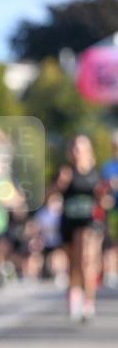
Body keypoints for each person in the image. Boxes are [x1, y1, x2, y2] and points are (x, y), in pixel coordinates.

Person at [52, 134, 103, 322]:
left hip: (89, 222)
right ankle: (75, 295)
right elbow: (49, 196)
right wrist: (60, 184)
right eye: (73, 148)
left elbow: (103, 200)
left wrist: (103, 197)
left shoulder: (95, 174)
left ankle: (88, 300)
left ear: (87, 151)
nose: (76, 152)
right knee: (73, 263)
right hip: (69, 222)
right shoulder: (65, 172)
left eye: (80, 148)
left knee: (86, 261)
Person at [100, 130, 118, 288]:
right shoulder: (108, 166)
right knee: (111, 243)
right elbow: (102, 189)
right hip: (113, 210)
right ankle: (111, 272)